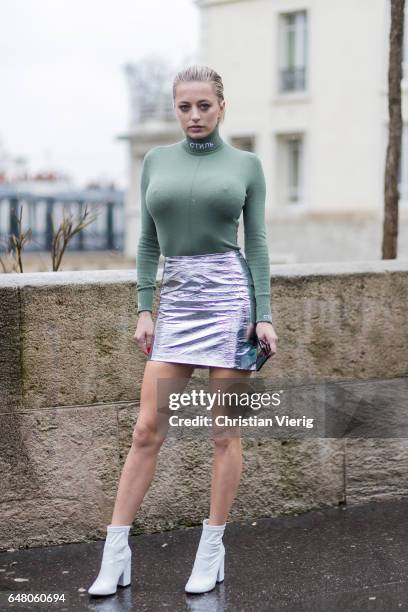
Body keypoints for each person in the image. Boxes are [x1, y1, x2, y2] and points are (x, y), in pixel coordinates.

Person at [88, 64, 278, 598]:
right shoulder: (156, 161)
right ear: (176, 109)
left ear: (222, 106)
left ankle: (212, 550)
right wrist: (145, 308)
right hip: (176, 302)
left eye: (204, 106)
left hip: (228, 301)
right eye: (184, 107)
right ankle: (116, 553)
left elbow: (256, 242)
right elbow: (148, 243)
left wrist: (263, 313)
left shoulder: (246, 164)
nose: (194, 116)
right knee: (147, 430)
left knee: (223, 433)